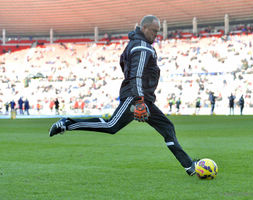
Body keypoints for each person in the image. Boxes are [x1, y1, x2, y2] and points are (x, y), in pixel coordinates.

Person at [49, 15, 197, 176]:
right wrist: (139, 100)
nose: (156, 35)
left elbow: (127, 68)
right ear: (144, 28)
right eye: (154, 31)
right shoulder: (142, 47)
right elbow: (136, 75)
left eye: (157, 32)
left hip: (142, 98)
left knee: (167, 127)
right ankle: (67, 124)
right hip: (136, 98)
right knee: (111, 125)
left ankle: (189, 166)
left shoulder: (135, 44)